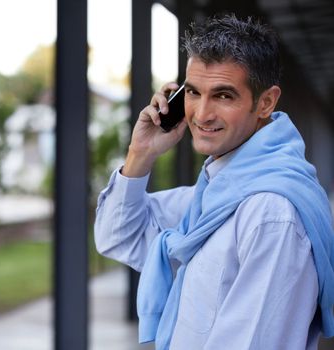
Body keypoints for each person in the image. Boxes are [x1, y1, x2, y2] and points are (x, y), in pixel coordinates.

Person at [94, 14, 334, 350]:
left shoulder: (269, 212)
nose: (202, 114)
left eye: (223, 96)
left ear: (265, 102)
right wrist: (140, 153)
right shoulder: (218, 192)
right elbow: (119, 236)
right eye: (193, 92)